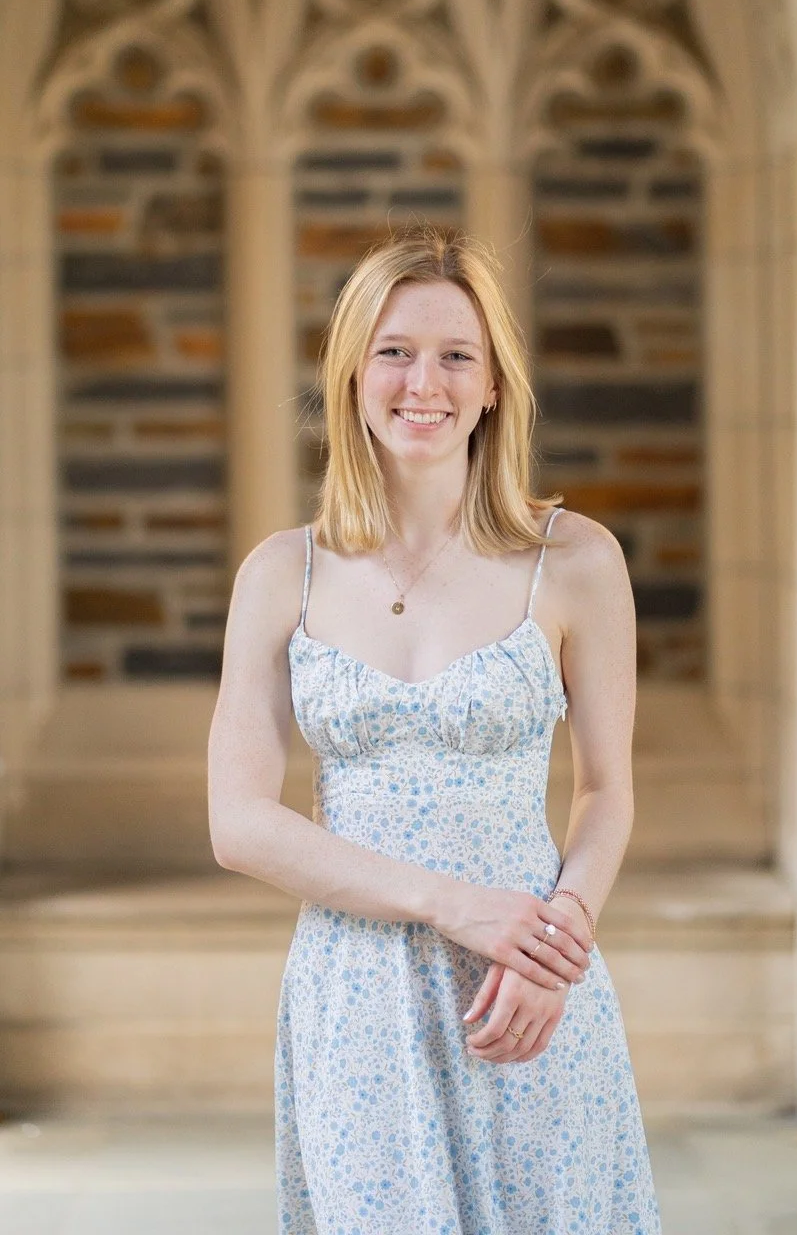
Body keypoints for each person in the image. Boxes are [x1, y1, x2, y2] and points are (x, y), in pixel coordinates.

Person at [207, 223, 662, 1233]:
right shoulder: (284, 572)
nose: (426, 381)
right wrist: (452, 903)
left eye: (457, 354)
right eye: (395, 351)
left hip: (530, 981)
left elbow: (604, 791)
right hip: (357, 996)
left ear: (496, 383)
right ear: (351, 375)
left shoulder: (576, 559)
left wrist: (559, 943)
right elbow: (237, 822)